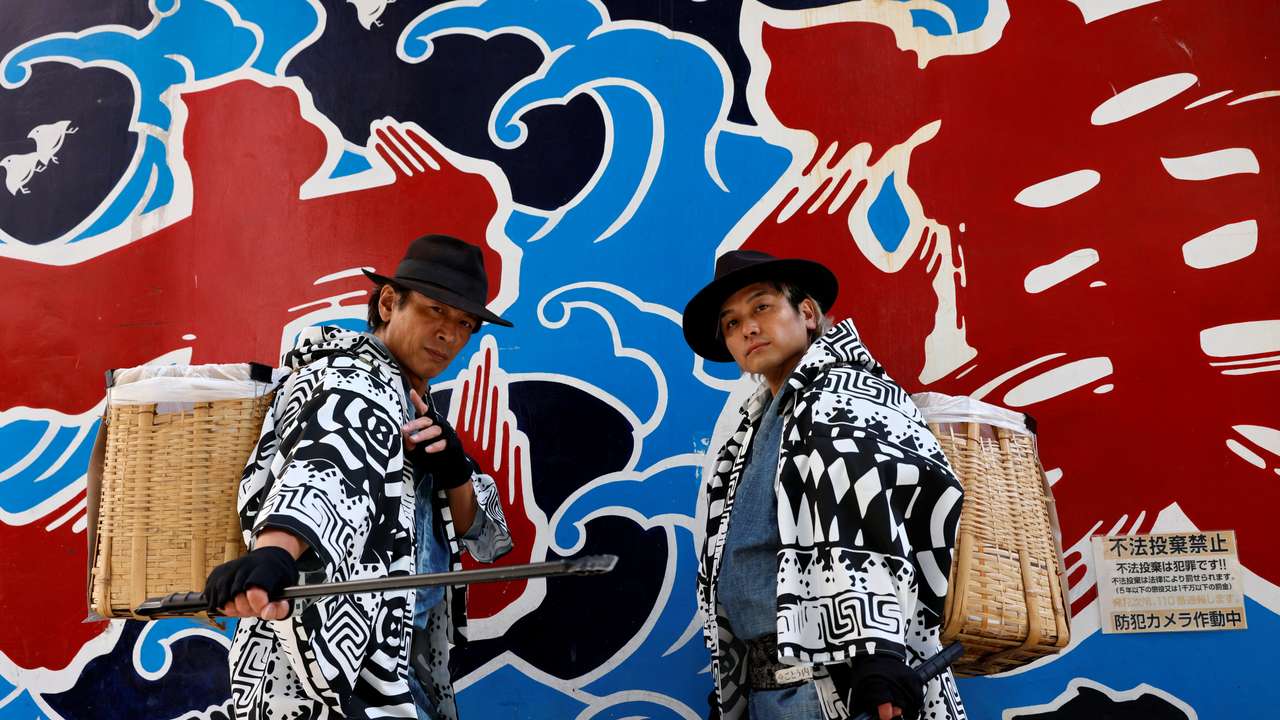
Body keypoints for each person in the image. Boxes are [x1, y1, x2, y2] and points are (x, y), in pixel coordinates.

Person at [203, 234, 514, 720]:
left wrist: (454, 471)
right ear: (389, 303)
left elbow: (479, 533)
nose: (449, 334)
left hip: (400, 653)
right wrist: (275, 553)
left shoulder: (411, 399)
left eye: (464, 324)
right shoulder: (351, 381)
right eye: (435, 311)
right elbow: (326, 469)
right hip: (325, 669)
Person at [683, 250, 967, 720]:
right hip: (769, 689)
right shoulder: (756, 424)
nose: (747, 328)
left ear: (808, 314)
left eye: (761, 307)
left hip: (835, 688)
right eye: (731, 323)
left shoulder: (843, 395)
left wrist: (879, 657)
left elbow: (870, 516)